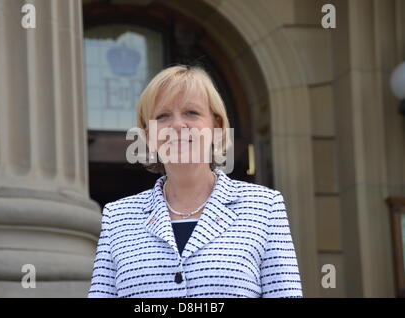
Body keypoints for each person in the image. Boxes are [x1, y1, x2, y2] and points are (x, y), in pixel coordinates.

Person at [88, 65, 302, 298]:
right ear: (148, 135)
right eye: (163, 116)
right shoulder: (117, 217)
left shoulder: (265, 206)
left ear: (217, 127)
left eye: (191, 112)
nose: (178, 125)